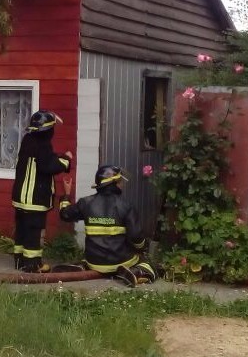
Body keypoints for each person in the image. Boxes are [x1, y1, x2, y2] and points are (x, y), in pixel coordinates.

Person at [56, 165, 158, 287]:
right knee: (149, 265)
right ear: (113, 183)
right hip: (121, 261)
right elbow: (136, 236)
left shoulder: (85, 203)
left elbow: (65, 214)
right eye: (120, 181)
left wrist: (66, 196)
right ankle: (137, 272)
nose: (122, 184)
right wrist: (142, 248)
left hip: (95, 261)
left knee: (90, 261)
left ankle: (83, 267)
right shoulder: (126, 205)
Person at [11, 110, 72, 273]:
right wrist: (66, 160)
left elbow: (44, 159)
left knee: (22, 229)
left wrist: (58, 157)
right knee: (34, 231)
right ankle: (32, 265)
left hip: (20, 197)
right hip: (34, 199)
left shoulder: (28, 140)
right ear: (48, 131)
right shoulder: (43, 144)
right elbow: (48, 166)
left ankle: (19, 261)